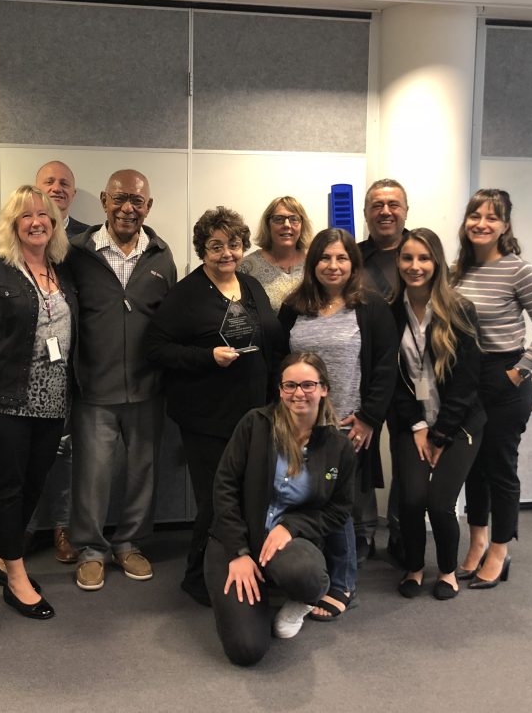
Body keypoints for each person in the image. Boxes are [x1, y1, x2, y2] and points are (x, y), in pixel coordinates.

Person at [144, 206, 283, 606]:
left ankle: (236, 566)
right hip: (207, 417)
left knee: (246, 494)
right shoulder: (186, 293)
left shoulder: (251, 286)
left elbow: (270, 341)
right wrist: (208, 357)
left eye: (234, 244)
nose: (227, 253)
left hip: (255, 412)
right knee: (215, 498)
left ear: (244, 246)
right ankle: (195, 575)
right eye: (215, 246)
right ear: (202, 249)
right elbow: (155, 348)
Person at [0, 185, 77, 620]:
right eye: (26, 216)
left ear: (54, 224)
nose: (36, 222)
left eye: (44, 216)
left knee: (34, 483)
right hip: (5, 400)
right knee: (8, 487)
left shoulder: (63, 272)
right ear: (13, 224)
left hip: (53, 403)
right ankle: (15, 575)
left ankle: (2, 557)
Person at [205, 353, 355, 666]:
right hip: (235, 539)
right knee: (246, 650)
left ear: (324, 389)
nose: (299, 393)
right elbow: (225, 488)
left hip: (289, 542)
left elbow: (339, 511)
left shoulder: (338, 446)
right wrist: (238, 553)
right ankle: (253, 584)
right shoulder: (255, 424)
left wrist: (292, 526)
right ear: (280, 389)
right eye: (290, 385)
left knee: (307, 575)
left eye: (308, 385)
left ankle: (300, 598)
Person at [278, 228, 397, 619]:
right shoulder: (294, 307)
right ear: (312, 263)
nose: (333, 266)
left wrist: (368, 418)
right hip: (297, 421)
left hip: (345, 425)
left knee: (336, 506)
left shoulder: (370, 307)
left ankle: (343, 584)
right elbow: (279, 364)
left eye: (341, 258)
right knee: (302, 499)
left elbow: (384, 367)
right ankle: (310, 576)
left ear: (353, 263)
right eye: (325, 258)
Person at [66, 169, 176, 591]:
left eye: (137, 200)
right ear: (103, 202)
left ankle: (129, 543)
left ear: (148, 207)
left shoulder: (162, 254)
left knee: (142, 471)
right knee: (91, 475)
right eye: (119, 199)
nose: (128, 207)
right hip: (93, 386)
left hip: (149, 387)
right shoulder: (77, 252)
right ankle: (91, 549)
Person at [451, 189, 532, 589]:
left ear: (505, 226)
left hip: (505, 378)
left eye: (491, 218)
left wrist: (518, 372)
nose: (481, 223)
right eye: (474, 215)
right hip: (467, 377)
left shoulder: (519, 270)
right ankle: (477, 540)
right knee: (471, 466)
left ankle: (500, 547)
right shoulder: (456, 270)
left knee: (499, 467)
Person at [389, 228, 485, 600]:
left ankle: (447, 571)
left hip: (459, 423)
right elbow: (391, 379)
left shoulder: (459, 309)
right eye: (408, 258)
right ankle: (414, 567)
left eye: (424, 258)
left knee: (440, 503)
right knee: (411, 500)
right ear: (398, 262)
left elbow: (467, 381)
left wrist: (441, 434)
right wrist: (416, 427)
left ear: (437, 263)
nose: (415, 266)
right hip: (412, 421)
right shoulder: (388, 312)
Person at [25, 160, 85, 564]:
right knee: (21, 461)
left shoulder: (84, 242)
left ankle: (63, 526)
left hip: (68, 374)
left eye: (65, 183)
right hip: (21, 378)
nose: (58, 188)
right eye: (50, 182)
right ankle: (23, 532)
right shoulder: (17, 233)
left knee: (64, 456)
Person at [358, 178, 411, 565]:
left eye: (393, 204)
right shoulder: (351, 257)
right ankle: (361, 534)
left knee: (408, 456)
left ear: (406, 211)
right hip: (365, 376)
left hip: (414, 378)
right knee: (359, 456)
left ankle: (400, 530)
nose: (385, 211)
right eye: (377, 205)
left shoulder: (420, 252)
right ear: (366, 213)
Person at [238, 196, 314, 312]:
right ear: (268, 224)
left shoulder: (315, 261)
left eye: (294, 219)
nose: (287, 225)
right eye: (279, 219)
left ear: (302, 225)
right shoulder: (247, 267)